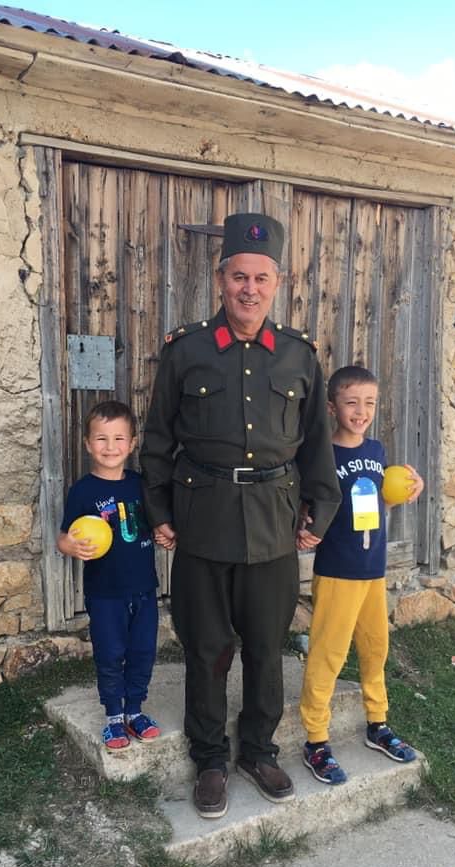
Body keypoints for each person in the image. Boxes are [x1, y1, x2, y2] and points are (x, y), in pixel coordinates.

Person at [140, 212, 341, 818]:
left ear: (277, 283)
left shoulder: (298, 356)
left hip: (275, 520)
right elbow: (158, 439)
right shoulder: (187, 351)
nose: (249, 289)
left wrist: (320, 511)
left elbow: (317, 443)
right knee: (205, 648)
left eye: (261, 278)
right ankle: (209, 759)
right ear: (220, 278)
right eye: (238, 277)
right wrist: (158, 509)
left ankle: (257, 750)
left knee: (265, 646)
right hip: (202, 518)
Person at [299, 365, 424, 785]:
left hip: (373, 570)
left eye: (369, 402)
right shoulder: (322, 455)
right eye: (351, 402)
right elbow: (306, 507)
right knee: (328, 654)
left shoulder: (377, 450)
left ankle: (377, 723)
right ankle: (316, 740)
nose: (361, 411)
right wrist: (303, 524)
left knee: (375, 649)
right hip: (337, 570)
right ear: (332, 407)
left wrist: (406, 490)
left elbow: (377, 505)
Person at [57, 400, 160, 751]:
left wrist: (164, 533)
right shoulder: (83, 491)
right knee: (111, 653)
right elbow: (62, 537)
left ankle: (135, 710)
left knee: (143, 651)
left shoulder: (140, 485)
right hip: (105, 593)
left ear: (132, 444)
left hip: (144, 589)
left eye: (119, 439)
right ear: (88, 444)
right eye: (102, 439)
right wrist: (70, 546)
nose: (111, 447)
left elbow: (156, 523)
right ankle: (114, 715)